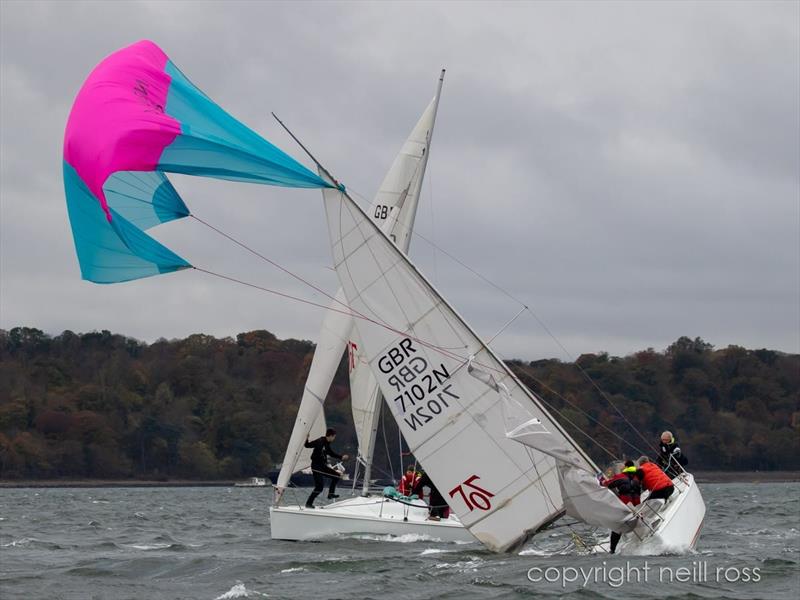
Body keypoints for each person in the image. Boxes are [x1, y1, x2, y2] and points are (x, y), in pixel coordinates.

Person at [601, 460, 641, 554]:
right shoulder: (636, 478)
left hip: (625, 505)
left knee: (617, 527)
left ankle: (612, 550)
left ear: (626, 467)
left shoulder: (621, 477)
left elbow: (609, 484)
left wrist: (602, 481)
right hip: (636, 505)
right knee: (632, 521)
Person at [304, 428, 349, 508]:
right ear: (331, 436)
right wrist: (306, 438)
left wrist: (341, 457)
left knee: (336, 476)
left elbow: (331, 453)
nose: (334, 439)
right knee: (319, 487)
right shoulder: (320, 441)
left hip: (322, 466)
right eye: (334, 437)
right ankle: (308, 503)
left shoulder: (327, 443)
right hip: (316, 466)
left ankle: (330, 494)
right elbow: (307, 445)